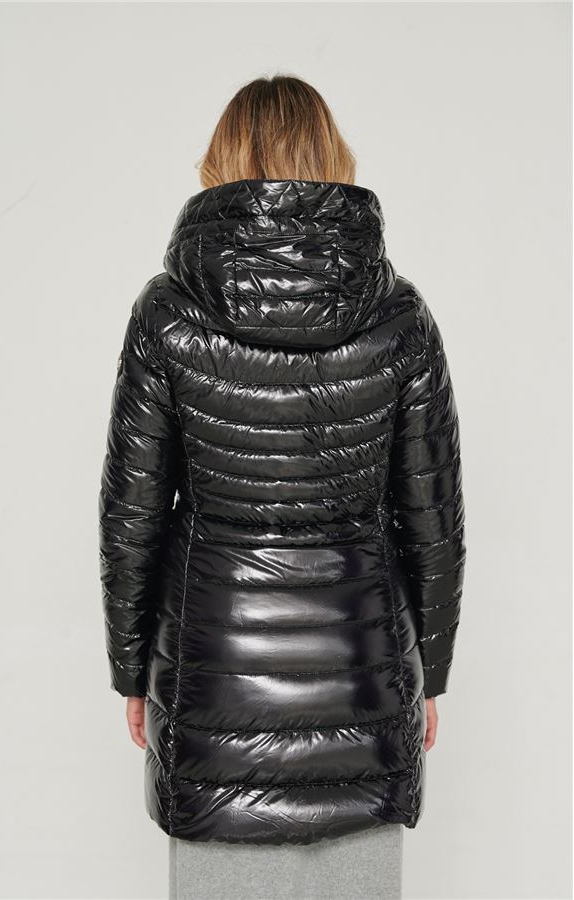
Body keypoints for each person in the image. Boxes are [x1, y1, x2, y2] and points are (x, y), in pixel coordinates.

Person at [98, 74, 466, 900]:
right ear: (335, 158)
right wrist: (428, 674)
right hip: (365, 684)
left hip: (211, 687)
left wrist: (132, 671)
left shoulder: (166, 316)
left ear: (220, 162)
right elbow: (434, 525)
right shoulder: (402, 319)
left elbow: (131, 516)